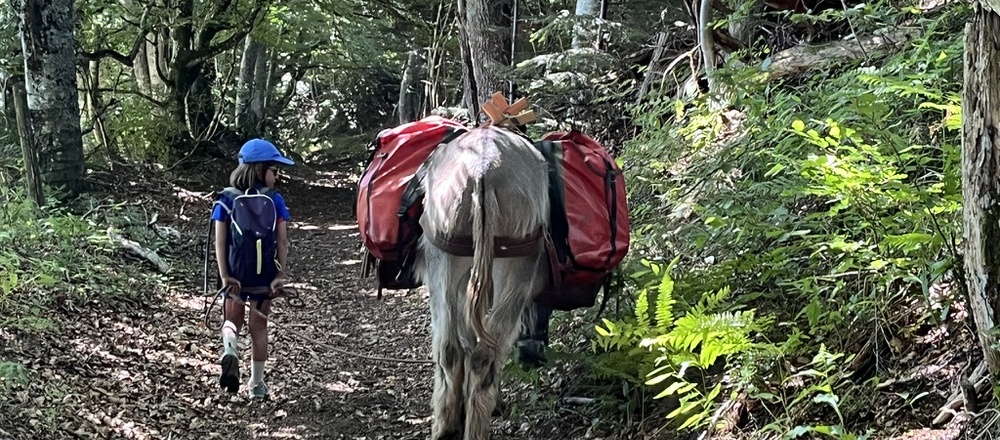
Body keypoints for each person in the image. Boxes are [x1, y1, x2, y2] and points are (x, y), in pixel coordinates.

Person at [211, 138, 294, 399]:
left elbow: (220, 241)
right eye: (274, 170)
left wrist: (225, 275)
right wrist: (279, 275)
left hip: (235, 273)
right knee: (259, 327)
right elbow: (282, 240)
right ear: (258, 170)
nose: (277, 176)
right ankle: (257, 385)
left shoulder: (225, 199)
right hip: (263, 276)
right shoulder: (276, 200)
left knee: (231, 322)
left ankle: (230, 350)